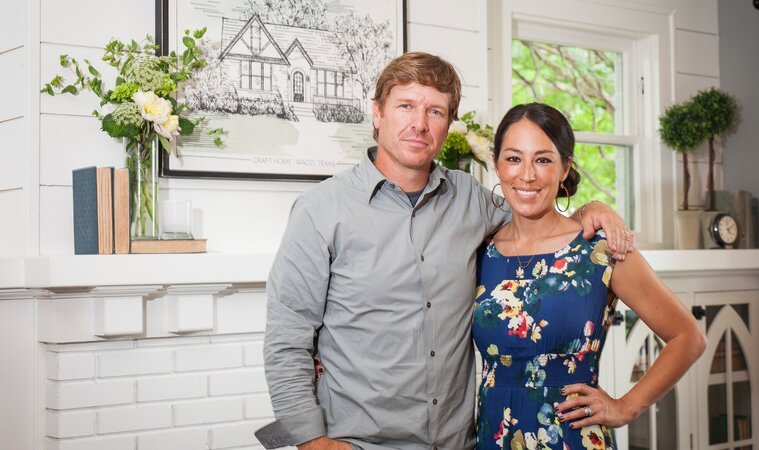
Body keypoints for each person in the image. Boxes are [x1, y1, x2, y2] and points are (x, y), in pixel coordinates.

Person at [255, 52, 632, 450]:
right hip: (359, 442)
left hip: (459, 442)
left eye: (435, 111)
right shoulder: (320, 210)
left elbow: (536, 214)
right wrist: (312, 441)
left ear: (448, 123)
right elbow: (286, 338)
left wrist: (590, 210)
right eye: (406, 106)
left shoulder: (472, 199)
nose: (419, 124)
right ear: (378, 113)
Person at [473, 103, 706, 449]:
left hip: (571, 437)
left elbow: (688, 337)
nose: (527, 175)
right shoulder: (481, 251)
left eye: (543, 160)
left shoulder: (599, 251)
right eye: (513, 158)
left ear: (565, 168)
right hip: (493, 435)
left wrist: (626, 407)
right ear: (496, 164)